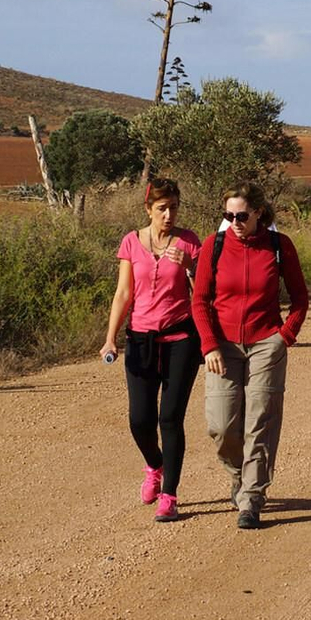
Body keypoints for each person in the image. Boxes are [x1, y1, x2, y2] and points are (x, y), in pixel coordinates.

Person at [192, 182, 310, 530]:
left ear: (258, 212)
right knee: (221, 426)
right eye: (228, 216)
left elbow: (300, 299)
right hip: (222, 346)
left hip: (266, 344)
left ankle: (251, 498)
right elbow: (199, 301)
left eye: (242, 216)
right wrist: (209, 344)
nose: (235, 223)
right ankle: (239, 476)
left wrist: (284, 336)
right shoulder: (213, 246)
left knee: (260, 422)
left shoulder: (279, 245)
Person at [100, 177, 202, 523]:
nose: (169, 215)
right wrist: (111, 337)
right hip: (141, 339)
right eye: (162, 208)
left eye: (174, 207)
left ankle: (169, 495)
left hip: (181, 340)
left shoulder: (189, 241)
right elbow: (123, 293)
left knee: (170, 418)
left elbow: (203, 291)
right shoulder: (131, 241)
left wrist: (189, 266)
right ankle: (155, 466)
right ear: (148, 209)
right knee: (140, 420)